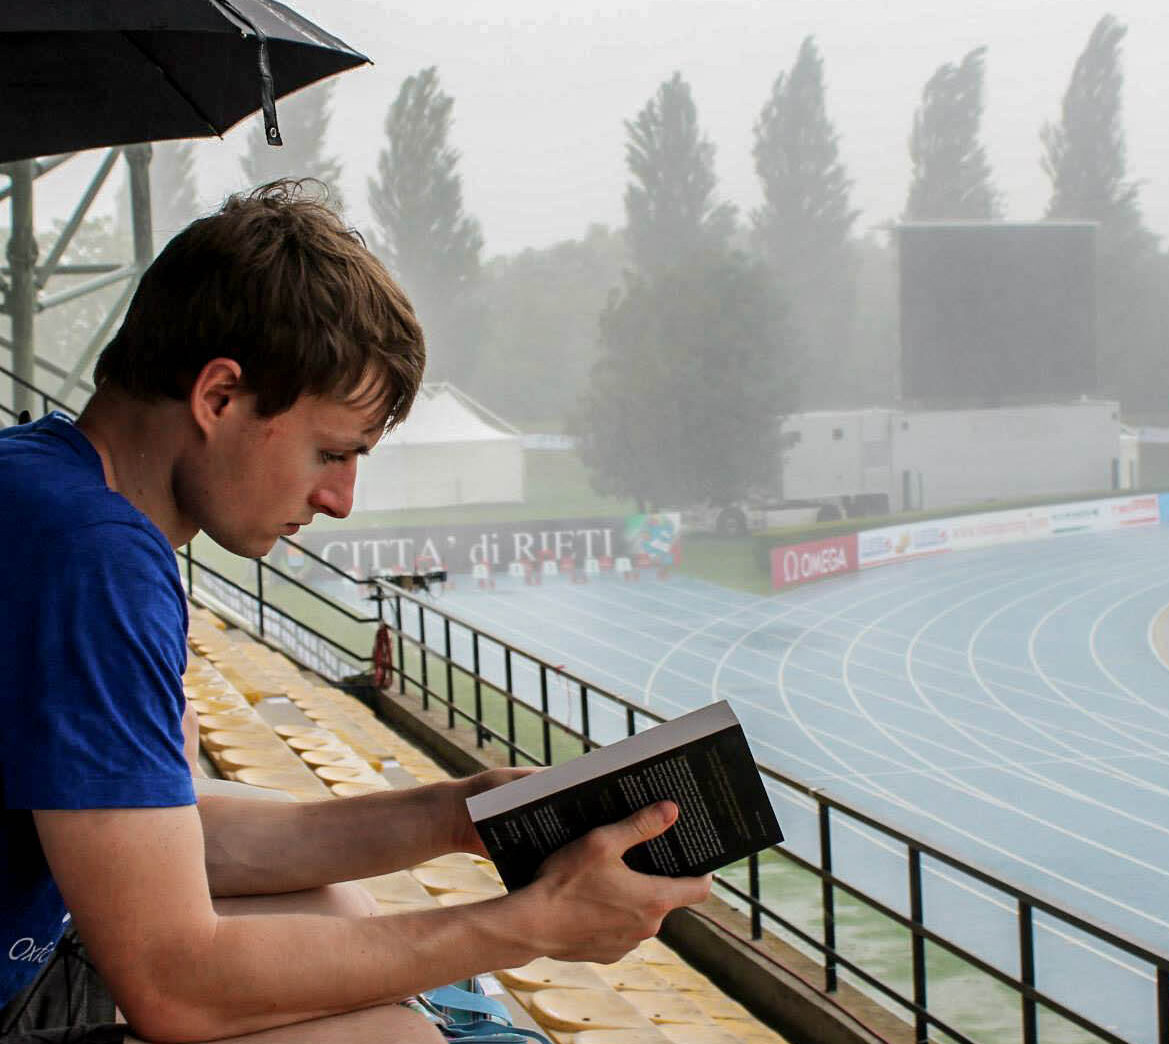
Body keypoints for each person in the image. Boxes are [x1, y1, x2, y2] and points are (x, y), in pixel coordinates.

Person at [0, 181, 711, 1044]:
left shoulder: (39, 478)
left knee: (334, 912)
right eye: (331, 452)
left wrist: (458, 815)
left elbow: (166, 837)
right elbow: (175, 985)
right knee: (394, 1039)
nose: (340, 499)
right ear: (219, 397)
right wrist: (533, 924)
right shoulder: (95, 562)